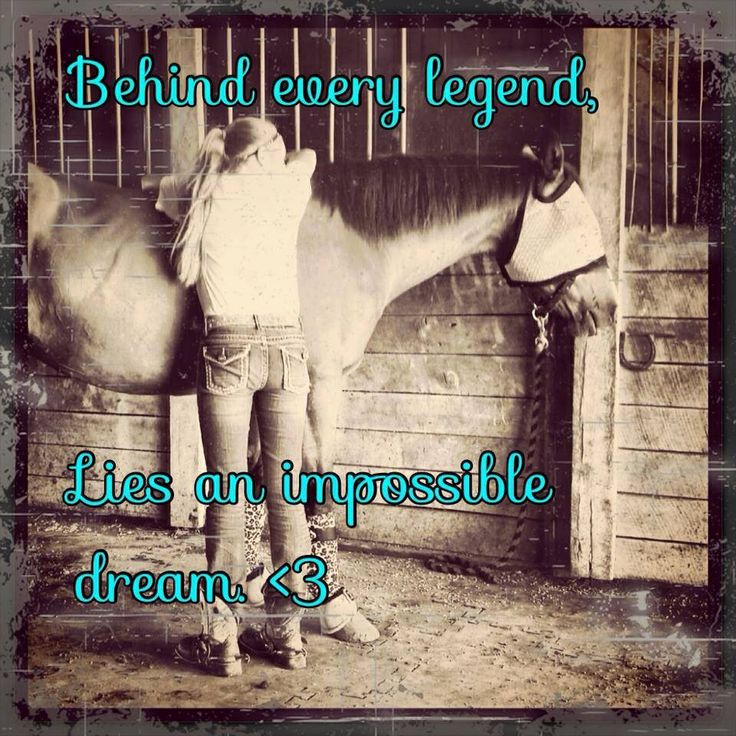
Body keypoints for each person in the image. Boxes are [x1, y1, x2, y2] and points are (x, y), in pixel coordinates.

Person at [156, 117, 317, 675]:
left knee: (226, 492)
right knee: (286, 496)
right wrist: (276, 157)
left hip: (226, 345)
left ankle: (223, 640)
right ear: (266, 152)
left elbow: (156, 187)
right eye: (277, 141)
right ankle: (287, 637)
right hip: (287, 347)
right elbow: (308, 156)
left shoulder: (202, 190)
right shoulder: (289, 187)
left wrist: (218, 157)